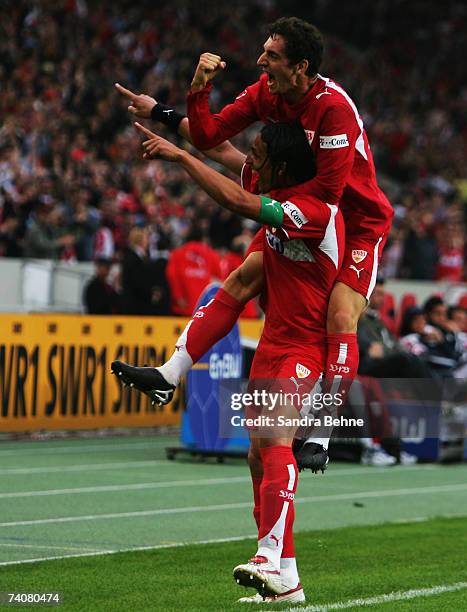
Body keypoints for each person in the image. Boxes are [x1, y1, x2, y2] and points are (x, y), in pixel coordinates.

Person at [115, 16, 394, 467]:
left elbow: (326, 198)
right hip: (297, 205)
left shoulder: (334, 110)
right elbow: (212, 136)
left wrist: (265, 202)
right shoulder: (269, 92)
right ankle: (169, 373)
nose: (260, 59)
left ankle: (323, 432)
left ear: (301, 67)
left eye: (272, 55)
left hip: (351, 222)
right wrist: (183, 99)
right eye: (264, 49)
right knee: (242, 279)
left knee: (341, 313)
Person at [112, 120, 345, 604]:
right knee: (259, 457)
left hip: (306, 350)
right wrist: (174, 110)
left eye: (258, 156)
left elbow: (238, 199)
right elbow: (238, 288)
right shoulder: (276, 213)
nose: (250, 163)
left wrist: (180, 158)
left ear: (281, 167)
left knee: (278, 443)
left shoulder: (312, 211)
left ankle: (266, 555)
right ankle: (289, 580)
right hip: (273, 343)